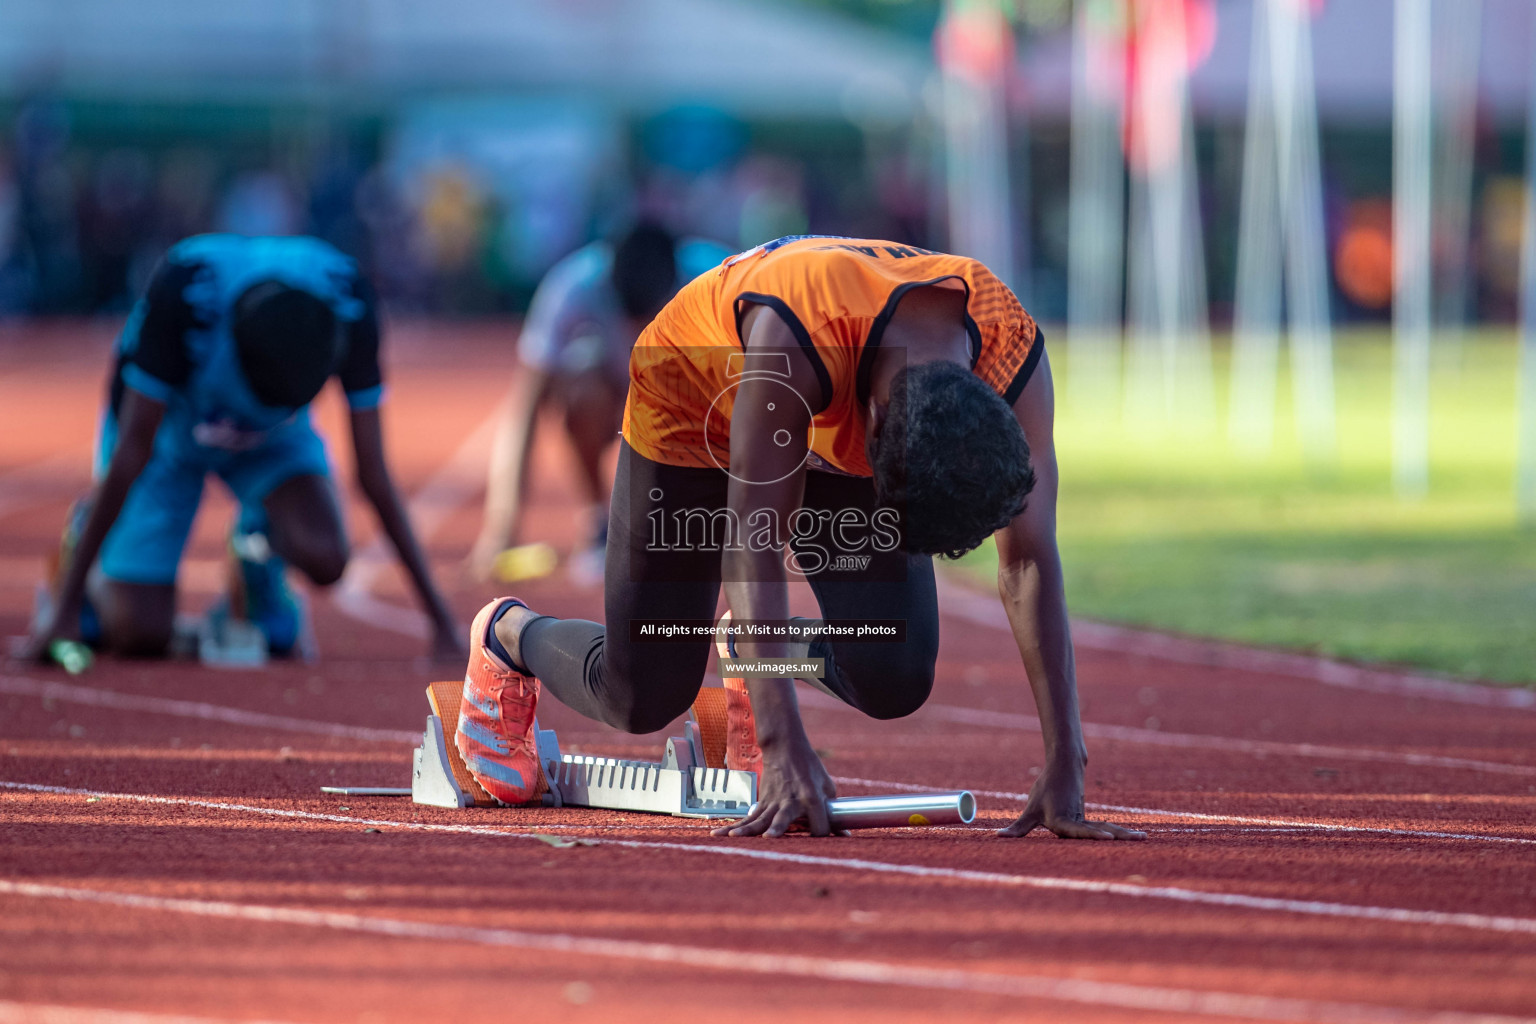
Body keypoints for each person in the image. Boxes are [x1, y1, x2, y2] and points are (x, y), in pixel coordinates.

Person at [450, 234, 1144, 841]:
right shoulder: (791, 341)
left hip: (844, 389)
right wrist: (782, 746)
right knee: (642, 695)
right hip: (695, 396)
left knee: (894, 673)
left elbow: (1027, 563)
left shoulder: (1010, 355)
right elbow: (751, 542)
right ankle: (508, 635)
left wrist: (1065, 761)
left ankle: (747, 647)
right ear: (871, 433)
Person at [18, 233, 462, 663]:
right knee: (139, 634)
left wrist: (441, 621)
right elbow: (132, 451)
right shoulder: (187, 293)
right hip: (168, 432)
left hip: (273, 441)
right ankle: (84, 545)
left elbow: (373, 471)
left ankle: (255, 555)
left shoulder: (349, 303)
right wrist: (65, 608)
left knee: (326, 556)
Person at [465, 223, 731, 584]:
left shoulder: (717, 279)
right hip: (616, 390)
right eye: (633, 320)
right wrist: (501, 530)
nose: (642, 329)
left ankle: (698, 515)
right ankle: (600, 520)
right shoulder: (571, 288)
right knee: (580, 390)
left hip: (692, 395)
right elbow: (525, 408)